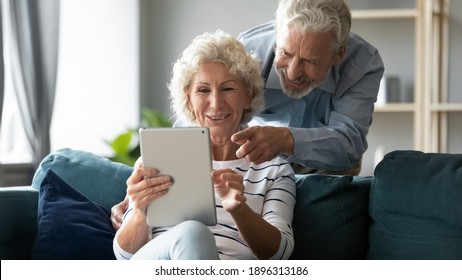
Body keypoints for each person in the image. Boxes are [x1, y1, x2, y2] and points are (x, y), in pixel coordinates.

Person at [113, 30, 296, 260]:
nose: (216, 103)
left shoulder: (274, 169)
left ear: (247, 96)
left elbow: (279, 255)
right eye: (203, 90)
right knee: (192, 233)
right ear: (188, 99)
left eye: (228, 88)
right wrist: (139, 211)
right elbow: (124, 257)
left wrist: (239, 209)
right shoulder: (158, 157)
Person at [231, 0, 384, 175]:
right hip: (262, 158)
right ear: (278, 35)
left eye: (310, 61)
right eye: (285, 53)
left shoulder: (362, 63)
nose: (293, 73)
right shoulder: (246, 51)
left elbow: (349, 143)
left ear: (338, 55)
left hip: (330, 163)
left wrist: (287, 139)